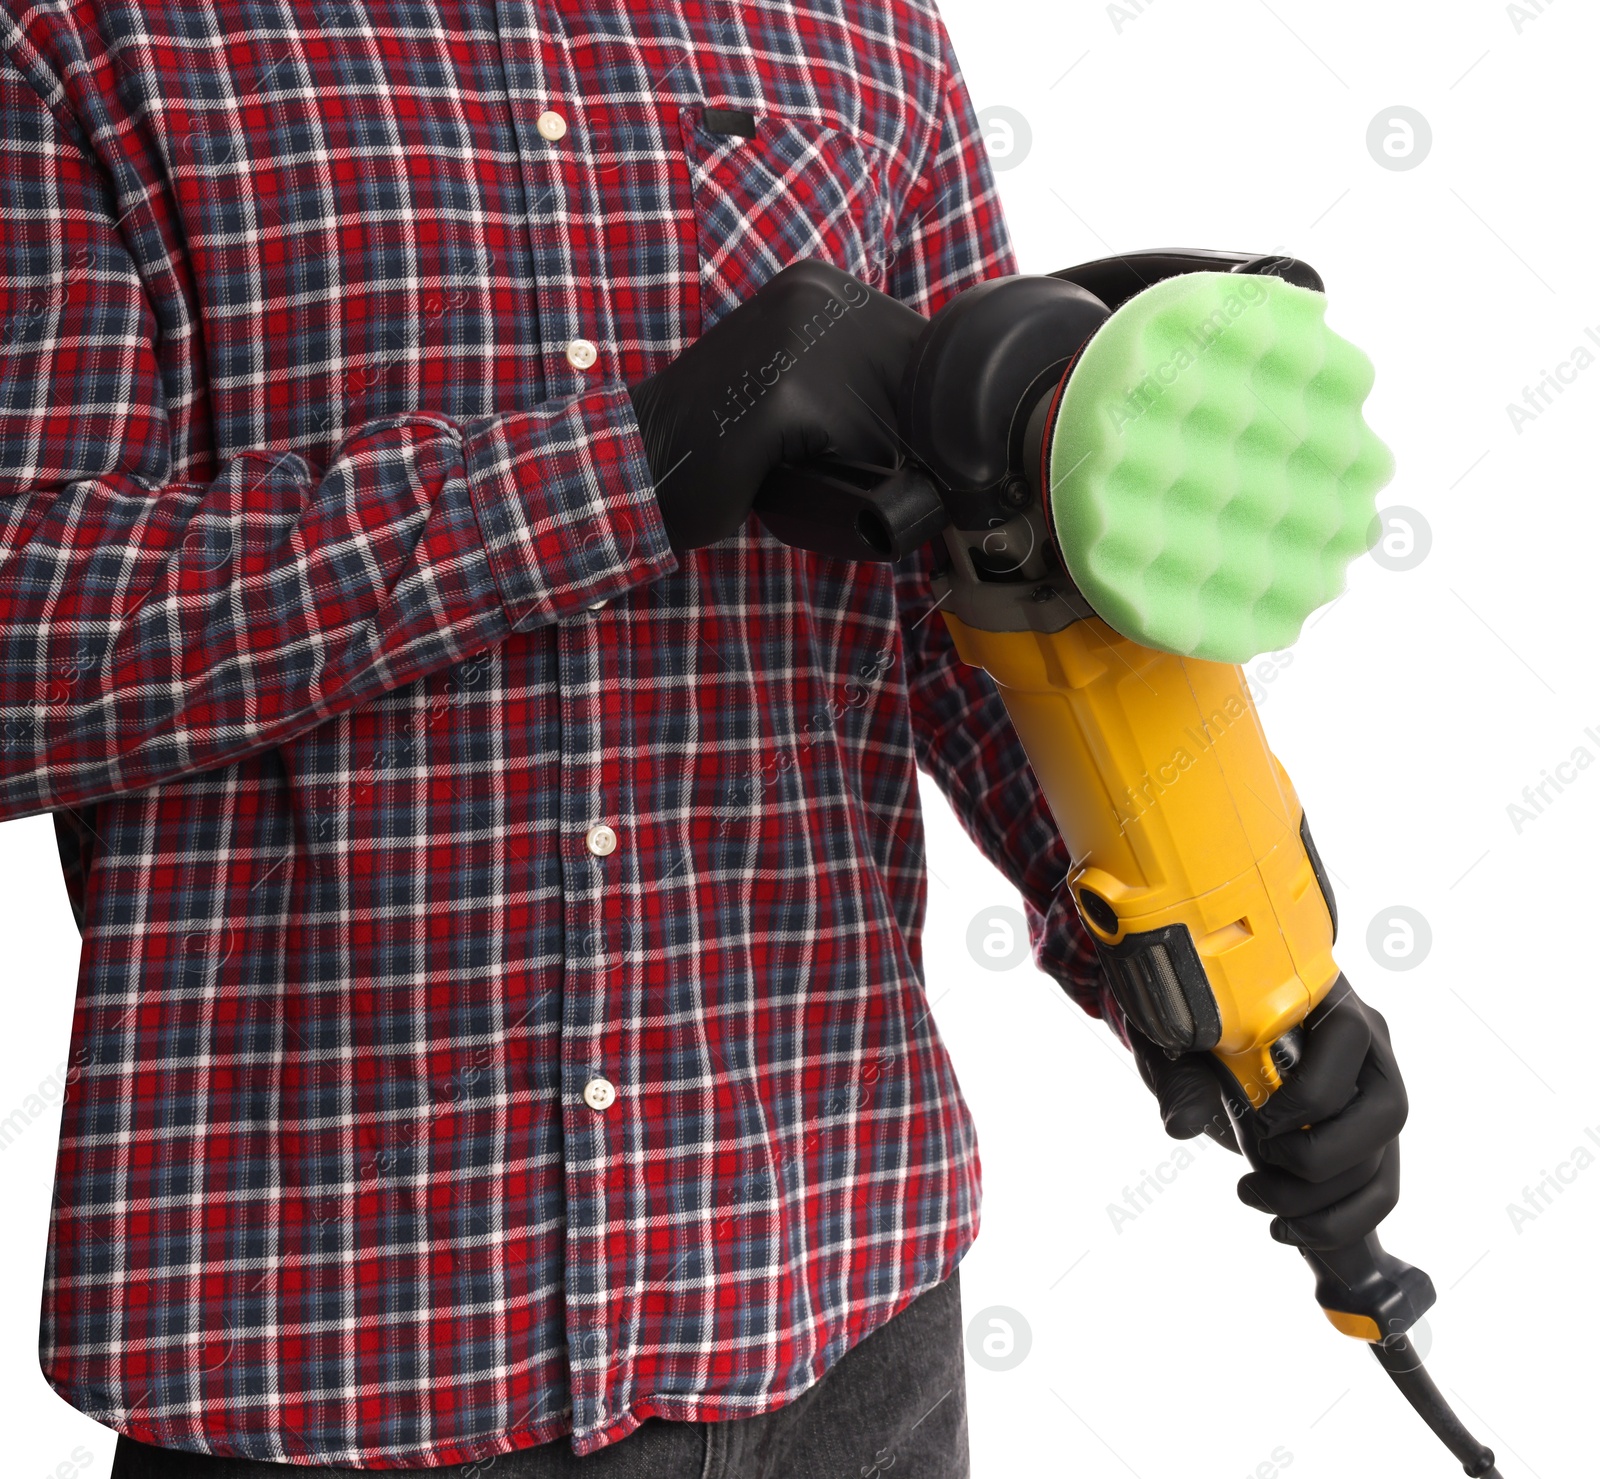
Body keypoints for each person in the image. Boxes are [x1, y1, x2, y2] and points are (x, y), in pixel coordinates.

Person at [0, 0, 1406, 1473]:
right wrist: (625, 466)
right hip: (349, 1356)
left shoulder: (859, 30)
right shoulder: (96, 39)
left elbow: (985, 571)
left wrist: (1242, 970)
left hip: (846, 1314)